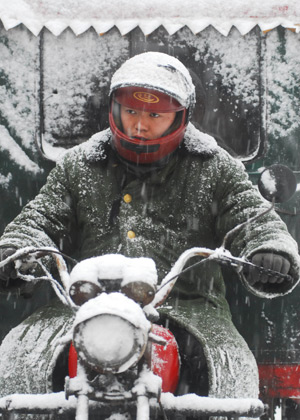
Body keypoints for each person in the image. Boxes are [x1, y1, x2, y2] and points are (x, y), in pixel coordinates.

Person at [0, 52, 299, 409]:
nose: (140, 125)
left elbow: (253, 216)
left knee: (231, 372)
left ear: (180, 117)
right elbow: (39, 218)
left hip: (189, 307)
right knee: (20, 357)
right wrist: (17, 250)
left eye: (154, 115)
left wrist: (271, 249)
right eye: (132, 112)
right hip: (82, 306)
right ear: (115, 110)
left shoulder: (215, 166)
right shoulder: (80, 164)